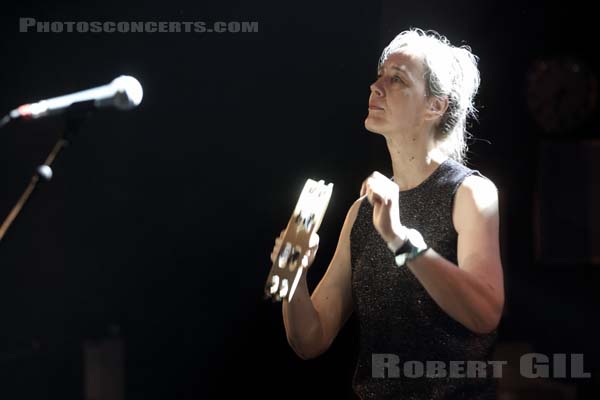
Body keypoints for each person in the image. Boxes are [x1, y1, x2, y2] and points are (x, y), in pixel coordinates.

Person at [271, 28, 504, 399]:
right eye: (379, 76)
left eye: (396, 79)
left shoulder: (471, 194)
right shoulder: (361, 213)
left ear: (435, 106)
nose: (375, 86)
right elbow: (310, 340)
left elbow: (485, 313)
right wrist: (293, 276)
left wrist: (399, 239)